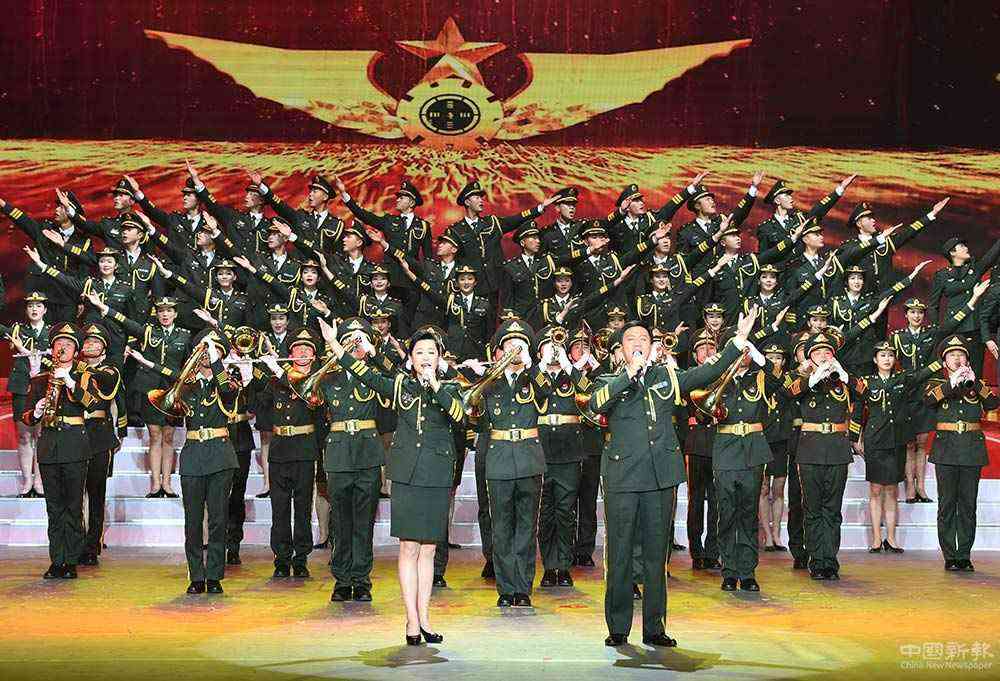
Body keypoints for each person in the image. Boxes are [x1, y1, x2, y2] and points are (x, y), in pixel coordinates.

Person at [590, 308, 757, 647]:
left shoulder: (667, 377)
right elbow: (596, 404)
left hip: (660, 477)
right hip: (622, 477)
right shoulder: (608, 381)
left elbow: (708, 371)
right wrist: (630, 374)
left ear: (653, 346)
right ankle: (618, 627)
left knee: (657, 555)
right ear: (621, 349)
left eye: (644, 339)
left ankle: (655, 627)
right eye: (631, 340)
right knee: (619, 553)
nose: (638, 343)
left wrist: (738, 340)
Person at [322, 319, 463, 646]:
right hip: (406, 474)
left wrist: (435, 385)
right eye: (419, 352)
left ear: (439, 357)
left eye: (431, 352)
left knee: (429, 549)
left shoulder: (451, 387)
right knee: (409, 547)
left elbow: (459, 415)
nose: (425, 357)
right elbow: (364, 373)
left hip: (437, 474)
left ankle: (425, 617)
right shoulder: (401, 385)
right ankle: (411, 620)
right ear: (410, 358)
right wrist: (335, 345)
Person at [477, 319, 554, 607]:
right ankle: (505, 587)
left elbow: (546, 392)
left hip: (529, 459)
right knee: (501, 527)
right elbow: (474, 412)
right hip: (498, 459)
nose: (514, 349)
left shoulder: (534, 379)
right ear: (499, 350)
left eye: (520, 344)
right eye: (509, 344)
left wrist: (532, 366)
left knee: (526, 527)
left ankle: (522, 588)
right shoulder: (491, 382)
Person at [22, 323, 105, 579]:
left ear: (76, 351)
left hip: (74, 445)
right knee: (54, 507)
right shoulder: (40, 380)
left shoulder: (85, 377)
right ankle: (56, 560)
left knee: (73, 505)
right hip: (49, 446)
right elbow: (26, 417)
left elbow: (93, 403)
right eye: (59, 344)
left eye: (69, 345)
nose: (63, 348)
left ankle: (71, 561)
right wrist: (36, 411)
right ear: (52, 349)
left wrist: (70, 382)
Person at [924, 335, 1000, 572]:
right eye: (952, 355)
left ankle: (964, 554)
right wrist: (952, 382)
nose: (957, 359)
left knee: (967, 504)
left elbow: (993, 404)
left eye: (961, 355)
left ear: (967, 359)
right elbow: (928, 400)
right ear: (944, 361)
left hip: (971, 449)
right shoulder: (936, 382)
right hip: (946, 448)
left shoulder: (976, 382)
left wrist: (975, 384)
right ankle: (949, 555)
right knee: (947, 504)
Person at [257, 328, 323, 580]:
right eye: (297, 348)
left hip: (304, 450)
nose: (302, 352)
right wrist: (253, 376)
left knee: (303, 507)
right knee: (280, 507)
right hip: (279, 449)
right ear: (291, 353)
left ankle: (301, 558)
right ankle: (282, 558)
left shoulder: (317, 379)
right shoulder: (276, 380)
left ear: (314, 355)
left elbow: (308, 396)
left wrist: (278, 370)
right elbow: (260, 405)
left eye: (307, 349)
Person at [76, 323, 122, 567]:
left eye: (95, 342)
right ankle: (76, 541)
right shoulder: (73, 369)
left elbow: (107, 384)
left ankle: (92, 544)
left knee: (95, 493)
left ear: (104, 348)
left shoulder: (110, 370)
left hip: (98, 435)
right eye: (87, 342)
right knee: (74, 493)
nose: (90, 345)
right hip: (75, 433)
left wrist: (120, 432)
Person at [2, 292, 51, 497]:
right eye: (30, 306)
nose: (34, 309)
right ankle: (27, 481)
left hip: (44, 387)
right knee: (24, 435)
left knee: (40, 435)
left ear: (45, 310)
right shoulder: (17, 330)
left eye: (38, 306)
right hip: (22, 386)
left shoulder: (52, 332)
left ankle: (39, 481)